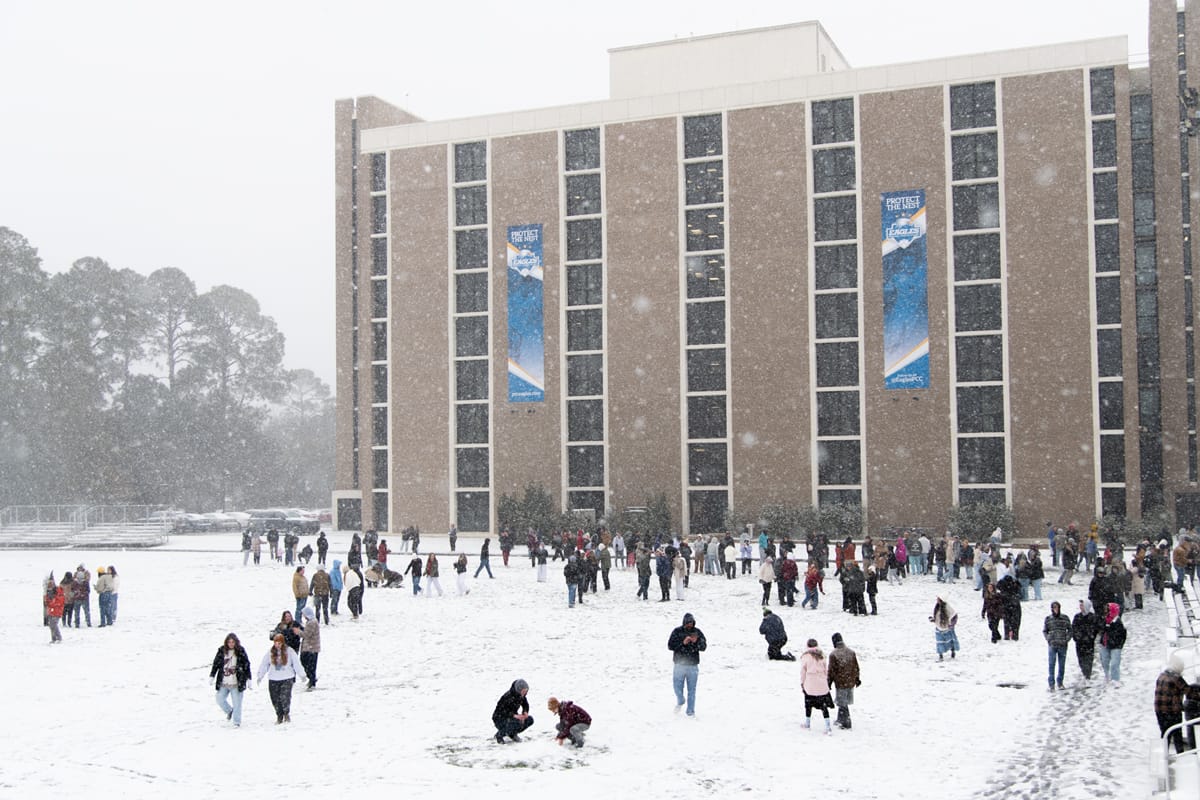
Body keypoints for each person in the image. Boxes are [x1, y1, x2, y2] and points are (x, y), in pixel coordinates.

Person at [667, 612, 707, 716]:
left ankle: (690, 711)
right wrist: (683, 643)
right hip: (679, 664)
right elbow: (670, 645)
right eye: (688, 623)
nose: (690, 625)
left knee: (692, 690)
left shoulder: (697, 632)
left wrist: (696, 642)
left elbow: (703, 647)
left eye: (691, 623)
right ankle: (680, 700)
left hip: (693, 665)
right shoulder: (677, 631)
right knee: (677, 687)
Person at [256, 633, 300, 724]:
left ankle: (286, 713)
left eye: (279, 643)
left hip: (287, 677)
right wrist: (260, 675)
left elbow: (296, 663)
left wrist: (302, 674)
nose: (277, 645)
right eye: (276, 643)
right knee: (275, 698)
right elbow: (264, 664)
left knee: (285, 697)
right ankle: (279, 715)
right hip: (273, 678)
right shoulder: (270, 652)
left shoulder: (289, 651)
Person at [210, 632, 251, 727]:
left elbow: (246, 665)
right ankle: (229, 711)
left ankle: (236, 722)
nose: (231, 644)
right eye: (229, 642)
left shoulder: (240, 651)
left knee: (237, 703)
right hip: (224, 681)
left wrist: (249, 678)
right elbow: (216, 663)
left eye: (233, 642)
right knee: (219, 698)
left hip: (237, 682)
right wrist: (212, 675)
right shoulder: (222, 651)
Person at [1156, 652, 1191, 754]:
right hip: (1172, 711)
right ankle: (1180, 754)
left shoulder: (1161, 675)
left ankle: (1164, 754)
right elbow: (1189, 692)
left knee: (1165, 733)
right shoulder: (1176, 678)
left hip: (1159, 710)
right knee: (1177, 734)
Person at [800, 638, 834, 734]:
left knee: (808, 705)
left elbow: (803, 672)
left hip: (810, 685)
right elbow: (826, 671)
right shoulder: (822, 656)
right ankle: (828, 726)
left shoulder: (805, 657)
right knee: (824, 707)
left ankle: (807, 723)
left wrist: (802, 683)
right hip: (822, 686)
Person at [828, 632, 861, 730]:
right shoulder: (851, 652)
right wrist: (857, 679)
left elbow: (831, 671)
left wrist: (829, 682)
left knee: (842, 702)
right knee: (844, 700)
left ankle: (846, 722)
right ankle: (840, 719)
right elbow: (856, 667)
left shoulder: (833, 654)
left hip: (841, 681)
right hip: (850, 681)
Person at [1043, 601, 1072, 690]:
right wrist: (1048, 638)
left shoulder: (1065, 618)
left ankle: (1060, 682)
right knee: (1051, 664)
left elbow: (1070, 630)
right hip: (1052, 644)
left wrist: (1066, 639)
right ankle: (1051, 683)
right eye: (1054, 608)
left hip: (1062, 644)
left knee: (1061, 665)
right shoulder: (1048, 619)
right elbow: (1045, 630)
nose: (1056, 610)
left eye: (1057, 607)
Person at [1098, 602, 1126, 685]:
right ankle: (1107, 676)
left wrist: (1119, 644)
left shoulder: (1118, 622)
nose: (1106, 611)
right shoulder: (1105, 619)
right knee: (1104, 661)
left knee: (1114, 663)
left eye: (1108, 609)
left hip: (1115, 646)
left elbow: (1122, 635)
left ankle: (1115, 679)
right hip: (1105, 644)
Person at [1071, 599, 1099, 680]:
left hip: (1089, 642)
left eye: (1082, 605)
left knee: (1089, 659)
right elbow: (1073, 628)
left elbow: (1095, 629)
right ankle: (1084, 672)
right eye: (1080, 605)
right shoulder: (1077, 617)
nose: (1080, 607)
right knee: (1081, 659)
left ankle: (1088, 675)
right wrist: (1076, 637)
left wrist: (1090, 636)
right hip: (1079, 642)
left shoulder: (1092, 617)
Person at [299, 607, 320, 690]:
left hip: (311, 648)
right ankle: (312, 679)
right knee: (310, 665)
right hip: (311, 647)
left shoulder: (311, 623)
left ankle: (312, 680)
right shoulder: (311, 622)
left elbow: (306, 635)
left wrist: (299, 632)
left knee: (309, 665)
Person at [44, 576, 64, 643]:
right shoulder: (48, 592)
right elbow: (47, 602)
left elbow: (60, 601)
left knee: (54, 624)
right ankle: (54, 638)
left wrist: (53, 603)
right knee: (51, 625)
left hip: (57, 611)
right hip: (51, 611)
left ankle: (59, 637)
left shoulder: (58, 590)